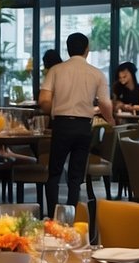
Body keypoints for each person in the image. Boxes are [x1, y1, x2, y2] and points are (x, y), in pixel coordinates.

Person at [39, 32, 114, 213]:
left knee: (54, 173)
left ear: (67, 49)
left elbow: (43, 100)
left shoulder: (56, 70)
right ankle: (71, 214)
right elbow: (105, 103)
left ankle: (53, 215)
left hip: (61, 125)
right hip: (83, 127)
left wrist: (55, 109)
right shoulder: (97, 74)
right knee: (76, 174)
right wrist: (111, 120)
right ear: (87, 50)